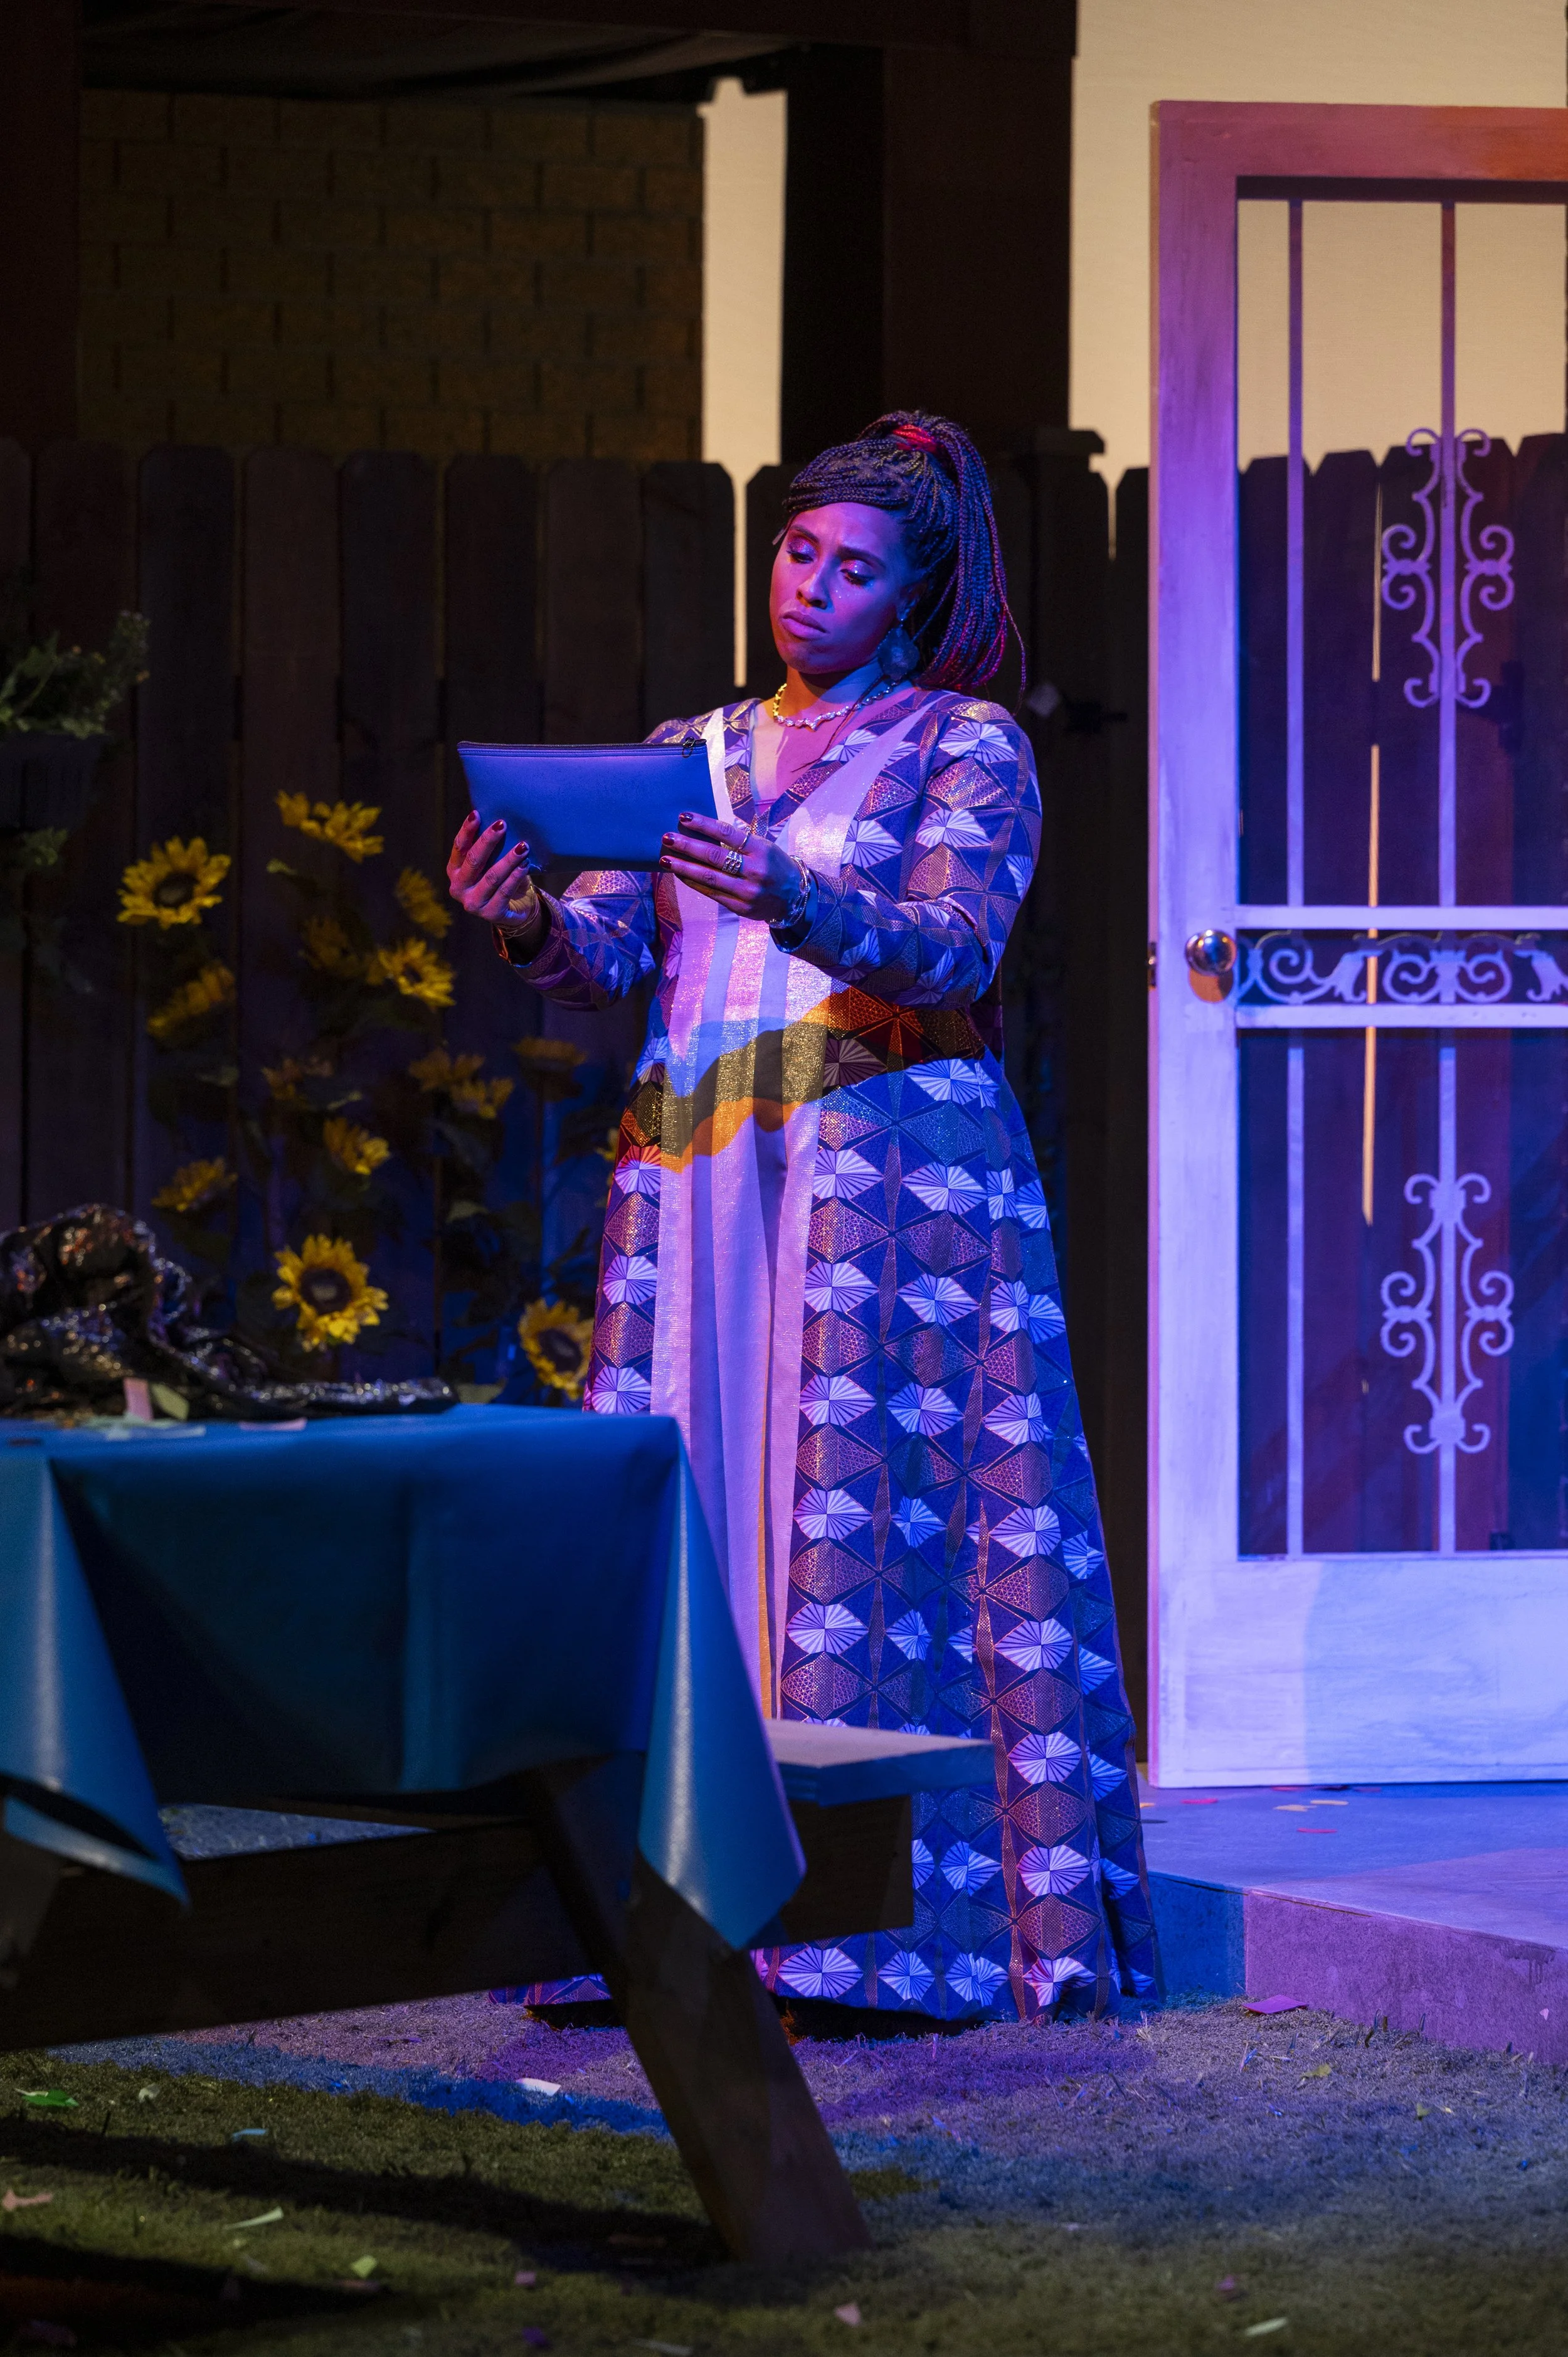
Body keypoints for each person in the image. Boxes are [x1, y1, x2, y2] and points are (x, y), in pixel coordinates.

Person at [448, 410, 1157, 2020]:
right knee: (690, 1493)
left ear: (911, 595)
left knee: (864, 1518)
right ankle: (662, 1915)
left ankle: (879, 1931)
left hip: (883, 1185)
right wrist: (527, 920)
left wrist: (791, 890)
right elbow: (612, 957)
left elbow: (953, 946)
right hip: (696, 1171)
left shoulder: (961, 743)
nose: (810, 588)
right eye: (796, 551)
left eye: (852, 569)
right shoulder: (688, 749)